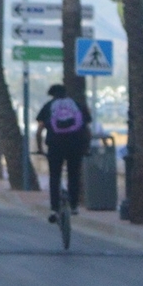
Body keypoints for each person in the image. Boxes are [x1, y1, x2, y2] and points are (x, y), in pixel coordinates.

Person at [35, 82, 93, 223]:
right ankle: (73, 206)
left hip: (55, 146)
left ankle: (55, 207)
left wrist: (40, 149)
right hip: (76, 145)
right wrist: (86, 147)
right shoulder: (77, 105)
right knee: (74, 175)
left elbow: (39, 131)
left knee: (55, 176)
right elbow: (87, 130)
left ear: (52, 95)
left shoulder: (48, 106)